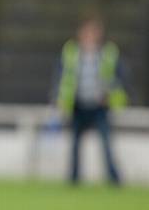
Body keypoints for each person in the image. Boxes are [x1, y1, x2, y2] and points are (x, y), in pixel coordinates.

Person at [55, 16, 128, 185]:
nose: (90, 36)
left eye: (93, 33)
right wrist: (60, 99)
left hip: (99, 107)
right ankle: (73, 179)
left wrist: (110, 96)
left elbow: (119, 78)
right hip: (78, 106)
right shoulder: (72, 53)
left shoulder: (107, 54)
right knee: (74, 146)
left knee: (106, 145)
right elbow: (63, 77)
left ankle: (113, 179)